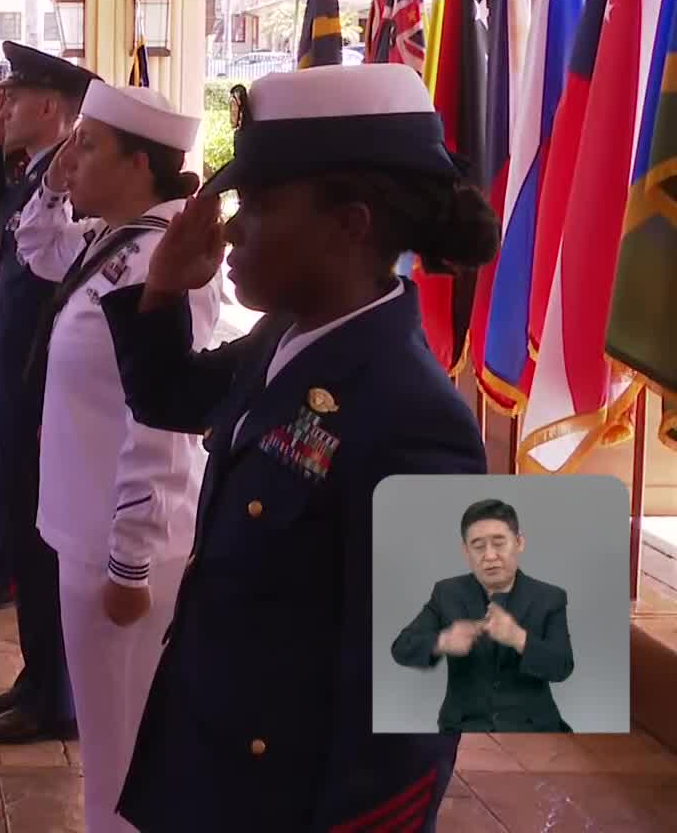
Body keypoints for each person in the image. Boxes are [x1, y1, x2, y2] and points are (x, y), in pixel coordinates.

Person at [105, 63, 495, 831]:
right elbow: (170, 397)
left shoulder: (419, 418)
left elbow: (422, 713)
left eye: (259, 204)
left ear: (350, 224)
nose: (230, 227)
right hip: (209, 769)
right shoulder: (286, 334)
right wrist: (162, 291)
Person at [16, 81, 216, 832]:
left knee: (128, 758)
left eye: (90, 145)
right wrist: (56, 182)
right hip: (87, 529)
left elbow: (162, 421)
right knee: (109, 754)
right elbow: (38, 250)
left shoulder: (165, 260)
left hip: (120, 549)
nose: (75, 155)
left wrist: (130, 559)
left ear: (140, 166)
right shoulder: (123, 241)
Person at [0, 42, 88, 746]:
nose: (2, 107)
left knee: (45, 547)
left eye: (15, 97)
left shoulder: (65, 190)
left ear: (48, 108)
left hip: (39, 391)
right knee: (29, 539)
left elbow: (40, 261)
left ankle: (56, 694)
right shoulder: (37, 174)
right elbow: (0, 232)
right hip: (18, 383)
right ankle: (41, 681)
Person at [390, 498, 574, 733]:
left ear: (519, 542)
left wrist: (519, 638)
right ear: (466, 551)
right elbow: (401, 648)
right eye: (478, 546)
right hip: (464, 728)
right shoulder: (447, 593)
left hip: (534, 729)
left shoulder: (550, 597)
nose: (489, 556)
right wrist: (442, 641)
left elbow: (562, 667)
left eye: (499, 543)